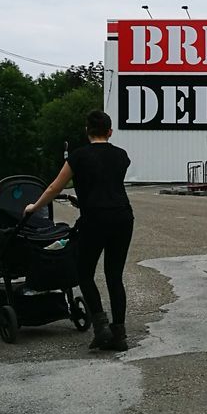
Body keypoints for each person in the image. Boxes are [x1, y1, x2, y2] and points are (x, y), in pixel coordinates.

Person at [24, 109, 134, 351]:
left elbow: (54, 187)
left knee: (84, 273)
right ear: (110, 131)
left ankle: (101, 327)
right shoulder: (122, 156)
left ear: (87, 132)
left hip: (94, 219)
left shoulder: (78, 156)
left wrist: (34, 207)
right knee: (114, 276)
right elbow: (106, 184)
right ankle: (120, 334)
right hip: (123, 218)